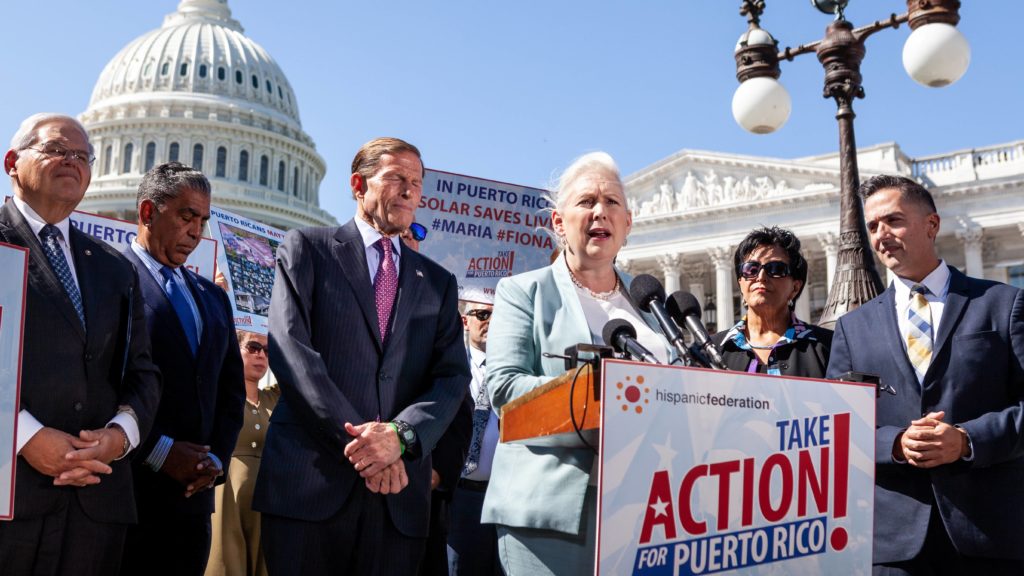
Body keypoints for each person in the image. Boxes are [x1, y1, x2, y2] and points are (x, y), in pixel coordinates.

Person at [253, 137, 470, 575]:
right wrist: (365, 446)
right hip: (311, 486)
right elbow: (293, 353)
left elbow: (451, 378)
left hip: (397, 498)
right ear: (358, 184)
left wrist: (401, 438)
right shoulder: (307, 250)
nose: (409, 191)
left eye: (416, 182)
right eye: (395, 178)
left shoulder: (439, 283)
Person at [481, 152, 673, 575]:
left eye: (612, 202)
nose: (600, 211)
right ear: (557, 222)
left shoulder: (653, 308)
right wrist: (604, 401)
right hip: (554, 514)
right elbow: (504, 391)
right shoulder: (522, 292)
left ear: (628, 223)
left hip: (648, 509)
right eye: (586, 201)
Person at [827, 174, 1024, 574]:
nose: (882, 235)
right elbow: (837, 427)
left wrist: (967, 440)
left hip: (988, 535)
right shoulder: (852, 327)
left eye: (894, 220)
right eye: (873, 226)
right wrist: (896, 444)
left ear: (931, 225)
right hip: (894, 546)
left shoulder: (1002, 304)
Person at [0, 113, 161, 575]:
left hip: (96, 502)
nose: (71, 162)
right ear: (13, 162)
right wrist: (26, 436)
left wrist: (117, 438)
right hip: (11, 490)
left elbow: (142, 371)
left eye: (82, 156)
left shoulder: (114, 267)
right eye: (55, 150)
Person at [121, 162, 245, 576]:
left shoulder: (212, 297)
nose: (196, 231)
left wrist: (217, 462)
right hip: (128, 495)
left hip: (193, 502)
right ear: (147, 213)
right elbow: (102, 383)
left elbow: (229, 392)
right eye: (186, 216)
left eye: (203, 221)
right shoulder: (111, 278)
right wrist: (159, 452)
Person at [714, 226, 832, 377]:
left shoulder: (828, 346)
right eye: (751, 269)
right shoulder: (712, 351)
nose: (761, 277)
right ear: (741, 284)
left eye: (775, 269)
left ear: (795, 287)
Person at [206, 331, 278, 576]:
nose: (261, 355)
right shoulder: (218, 395)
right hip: (226, 497)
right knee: (226, 563)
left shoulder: (274, 398)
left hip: (266, 498)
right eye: (253, 347)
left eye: (267, 351)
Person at [448, 301, 501, 576]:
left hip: (505, 496)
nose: (491, 320)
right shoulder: (451, 364)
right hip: (462, 496)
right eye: (483, 314)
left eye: (497, 314)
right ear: (465, 321)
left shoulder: (519, 365)